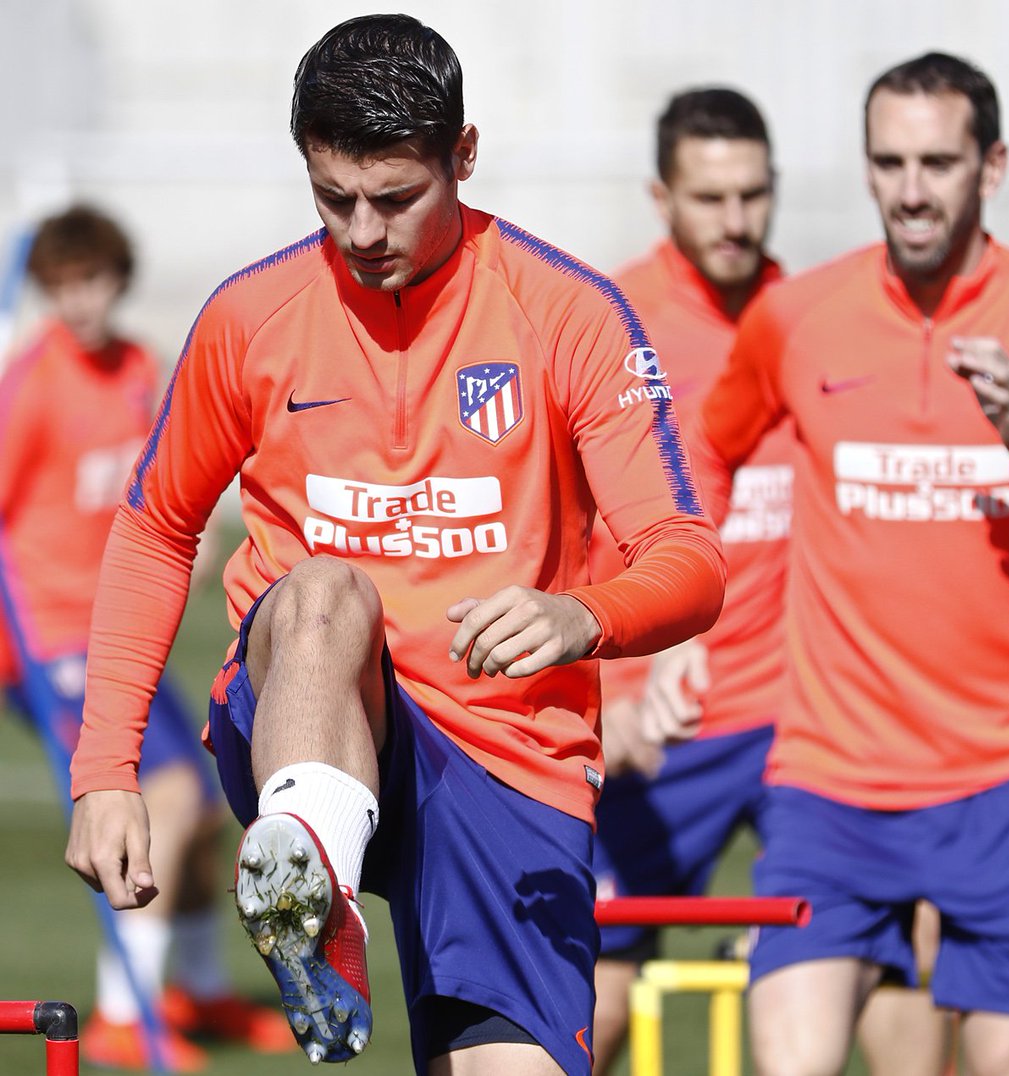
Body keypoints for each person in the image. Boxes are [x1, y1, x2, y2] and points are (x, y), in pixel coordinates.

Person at [63, 14, 725, 1076]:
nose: (363, 231)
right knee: (325, 588)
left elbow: (689, 557)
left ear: (463, 155)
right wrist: (104, 770)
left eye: (396, 198)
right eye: (334, 199)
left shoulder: (568, 313)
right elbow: (155, 527)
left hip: (509, 751)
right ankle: (308, 872)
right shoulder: (251, 314)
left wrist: (580, 613)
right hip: (309, 701)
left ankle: (319, 898)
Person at [689, 52, 1009, 1076]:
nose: (909, 190)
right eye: (888, 162)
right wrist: (694, 611)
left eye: (937, 162)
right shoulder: (798, 313)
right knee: (790, 1058)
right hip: (831, 777)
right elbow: (708, 447)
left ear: (991, 166)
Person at [0, 205, 292, 1071]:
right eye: (60, 289)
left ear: (116, 281)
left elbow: (157, 490)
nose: (79, 303)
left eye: (90, 283)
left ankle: (198, 989)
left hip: (118, 631)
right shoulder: (31, 384)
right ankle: (125, 1011)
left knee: (199, 808)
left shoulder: (138, 368)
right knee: (158, 795)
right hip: (49, 639)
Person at [586, 86, 790, 1072]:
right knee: (598, 1004)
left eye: (754, 194)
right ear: (661, 195)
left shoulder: (815, 318)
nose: (738, 220)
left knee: (881, 974)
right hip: (659, 722)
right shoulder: (609, 323)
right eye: (711, 198)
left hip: (808, 720)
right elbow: (562, 528)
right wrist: (610, 690)